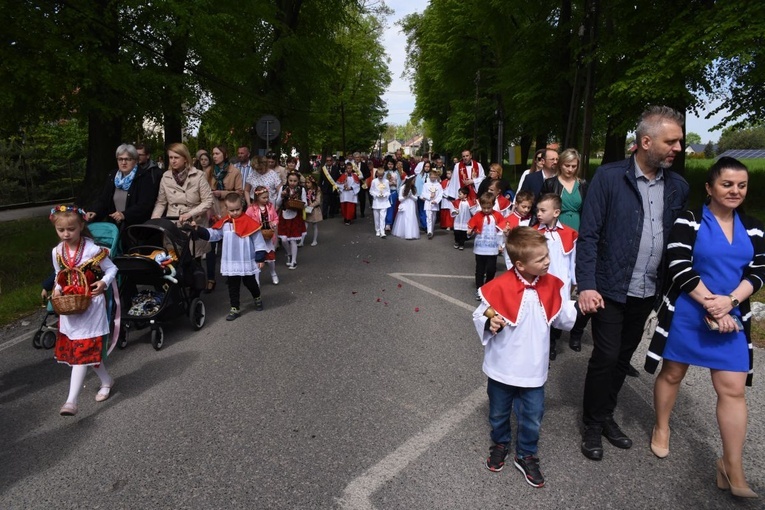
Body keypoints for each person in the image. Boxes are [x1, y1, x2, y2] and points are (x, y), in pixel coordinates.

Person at [645, 157, 764, 499]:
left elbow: (759, 272)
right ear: (710, 188)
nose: (735, 191)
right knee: (672, 374)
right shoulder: (690, 220)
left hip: (731, 317)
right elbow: (678, 262)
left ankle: (731, 464)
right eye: (727, 184)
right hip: (688, 312)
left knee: (733, 390)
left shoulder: (754, 227)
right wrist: (713, 302)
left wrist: (730, 302)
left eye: (741, 185)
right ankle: (662, 426)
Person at [576, 105, 689, 461]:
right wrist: (588, 284)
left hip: (648, 289)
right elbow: (589, 236)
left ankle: (607, 414)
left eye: (679, 142)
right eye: (671, 141)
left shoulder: (679, 187)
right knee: (606, 355)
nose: (678, 148)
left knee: (624, 357)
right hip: (609, 286)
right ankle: (592, 424)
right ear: (645, 141)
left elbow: (679, 241)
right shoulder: (609, 178)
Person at [474, 226, 577, 488]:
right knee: (498, 413)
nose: (548, 262)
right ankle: (500, 443)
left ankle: (526, 453)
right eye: (541, 259)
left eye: (547, 256)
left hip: (534, 367)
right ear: (519, 264)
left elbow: (564, 320)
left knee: (532, 415)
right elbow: (480, 313)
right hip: (502, 366)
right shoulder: (500, 286)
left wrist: (579, 307)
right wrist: (491, 321)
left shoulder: (552, 285)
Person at [50, 205, 118, 416]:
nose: (66, 234)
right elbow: (58, 275)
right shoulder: (57, 251)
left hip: (90, 305)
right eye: (61, 230)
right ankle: (107, 380)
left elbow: (112, 268)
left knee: (81, 352)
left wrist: (104, 283)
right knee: (84, 351)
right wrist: (58, 289)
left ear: (81, 226)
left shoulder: (92, 250)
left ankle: (71, 401)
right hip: (71, 307)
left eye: (71, 229)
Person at [192, 193, 266, 321]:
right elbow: (214, 234)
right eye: (231, 210)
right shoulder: (225, 223)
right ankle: (235, 308)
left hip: (245, 259)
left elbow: (259, 241)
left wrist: (260, 258)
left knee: (250, 282)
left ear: (242, 206)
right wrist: (198, 229)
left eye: (237, 209)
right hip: (231, 260)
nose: (235, 212)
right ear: (226, 209)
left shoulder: (249, 222)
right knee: (233, 285)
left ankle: (257, 297)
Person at [152, 143, 214, 259]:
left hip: (193, 222)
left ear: (185, 159)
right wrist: (155, 221)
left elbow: (208, 201)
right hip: (173, 223)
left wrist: (190, 213)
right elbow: (161, 202)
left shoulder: (199, 176)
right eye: (171, 158)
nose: (173, 161)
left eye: (176, 157)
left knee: (194, 261)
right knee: (174, 261)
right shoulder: (166, 177)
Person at [535, 193, 577, 361]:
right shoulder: (533, 232)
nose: (538, 213)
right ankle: (540, 344)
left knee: (557, 312)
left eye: (543, 210)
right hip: (540, 281)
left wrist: (574, 281)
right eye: (537, 210)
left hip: (560, 281)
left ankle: (552, 343)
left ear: (556, 212)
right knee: (539, 313)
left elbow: (573, 260)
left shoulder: (569, 234)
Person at [86, 143, 160, 228]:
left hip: (135, 228)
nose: (123, 163)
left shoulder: (144, 177)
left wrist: (124, 215)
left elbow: (145, 205)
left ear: (135, 160)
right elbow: (104, 199)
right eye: (120, 159)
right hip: (115, 226)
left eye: (127, 159)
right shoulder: (112, 175)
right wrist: (95, 211)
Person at [204, 145, 243, 293]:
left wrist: (223, 193)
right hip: (211, 211)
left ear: (224, 155)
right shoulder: (208, 172)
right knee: (210, 247)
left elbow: (239, 193)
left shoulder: (235, 171)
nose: (214, 156)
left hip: (228, 212)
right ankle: (211, 279)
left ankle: (231, 273)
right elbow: (203, 192)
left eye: (217, 153)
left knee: (228, 245)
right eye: (213, 153)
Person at [467, 193, 506, 300]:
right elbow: (470, 227)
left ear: (493, 205)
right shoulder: (478, 215)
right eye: (484, 208)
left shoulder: (497, 215)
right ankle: (479, 289)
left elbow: (502, 230)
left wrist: (501, 245)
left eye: (489, 208)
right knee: (479, 269)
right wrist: (469, 232)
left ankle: (488, 287)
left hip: (492, 248)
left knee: (491, 269)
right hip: (480, 248)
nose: (486, 210)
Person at [540, 148, 588, 231]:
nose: (570, 169)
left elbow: (588, 210)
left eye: (574, 166)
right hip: (556, 226)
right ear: (560, 164)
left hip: (579, 226)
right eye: (567, 165)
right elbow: (540, 208)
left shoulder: (582, 184)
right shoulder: (550, 184)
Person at [246, 186, 280, 285]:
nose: (266, 199)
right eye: (263, 198)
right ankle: (256, 279)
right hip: (257, 238)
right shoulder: (251, 209)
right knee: (257, 259)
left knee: (270, 259)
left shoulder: (270, 207)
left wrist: (273, 223)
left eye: (267, 197)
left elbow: (276, 218)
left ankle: (273, 273)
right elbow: (247, 221)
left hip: (268, 237)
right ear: (257, 198)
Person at [276, 172, 307, 269]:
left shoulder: (301, 190)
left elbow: (305, 203)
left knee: (293, 240)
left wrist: (297, 203)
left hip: (295, 216)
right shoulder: (283, 188)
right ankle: (289, 253)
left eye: (295, 181)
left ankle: (294, 261)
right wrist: (282, 196)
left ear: (298, 181)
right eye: (290, 180)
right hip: (285, 215)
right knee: (284, 239)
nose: (292, 183)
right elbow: (278, 202)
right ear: (287, 180)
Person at [392, 175, 420, 240]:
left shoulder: (414, 188)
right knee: (405, 217)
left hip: (411, 205)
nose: (414, 182)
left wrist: (411, 196)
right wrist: (406, 196)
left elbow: (416, 199)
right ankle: (404, 232)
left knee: (411, 217)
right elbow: (400, 199)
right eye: (413, 180)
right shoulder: (403, 187)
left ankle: (411, 233)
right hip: (405, 204)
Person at [451, 185, 477, 250]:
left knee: (463, 234)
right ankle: (457, 241)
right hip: (458, 220)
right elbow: (453, 209)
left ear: (465, 195)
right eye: (458, 194)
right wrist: (454, 212)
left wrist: (475, 217)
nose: (458, 195)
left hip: (465, 220)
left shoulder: (469, 202)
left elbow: (474, 211)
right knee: (456, 232)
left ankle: (461, 244)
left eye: (460, 194)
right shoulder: (456, 201)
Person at [421, 165, 443, 239]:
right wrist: (429, 196)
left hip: (435, 204)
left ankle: (431, 230)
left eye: (434, 177)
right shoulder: (426, 185)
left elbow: (440, 194)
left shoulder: (439, 185)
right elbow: (423, 193)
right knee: (429, 218)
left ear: (436, 177)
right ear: (429, 177)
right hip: (428, 203)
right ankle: (429, 231)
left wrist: (436, 201)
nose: (433, 178)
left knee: (433, 218)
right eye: (432, 177)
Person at [369, 167, 391, 238]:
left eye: (382, 175)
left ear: (384, 174)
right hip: (376, 201)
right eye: (379, 175)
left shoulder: (386, 181)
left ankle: (382, 231)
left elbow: (388, 191)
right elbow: (371, 191)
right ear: (377, 174)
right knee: (376, 217)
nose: (380, 176)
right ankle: (377, 230)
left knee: (383, 217)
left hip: (384, 201)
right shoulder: (374, 181)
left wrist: (385, 195)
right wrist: (376, 195)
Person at [318, 154, 341, 219]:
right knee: (325, 202)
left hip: (333, 188)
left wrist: (338, 186)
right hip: (325, 188)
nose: (329, 162)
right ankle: (324, 214)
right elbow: (321, 179)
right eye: (327, 161)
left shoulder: (335, 168)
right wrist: (319, 186)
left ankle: (331, 213)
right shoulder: (323, 169)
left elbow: (338, 178)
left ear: (332, 161)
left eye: (330, 160)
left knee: (332, 201)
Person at [304, 176, 323, 246]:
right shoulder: (305, 190)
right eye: (306, 183)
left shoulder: (317, 190)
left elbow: (318, 201)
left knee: (314, 225)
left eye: (308, 183)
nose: (307, 184)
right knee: (305, 225)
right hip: (306, 209)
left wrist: (311, 205)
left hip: (314, 210)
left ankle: (315, 240)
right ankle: (302, 241)